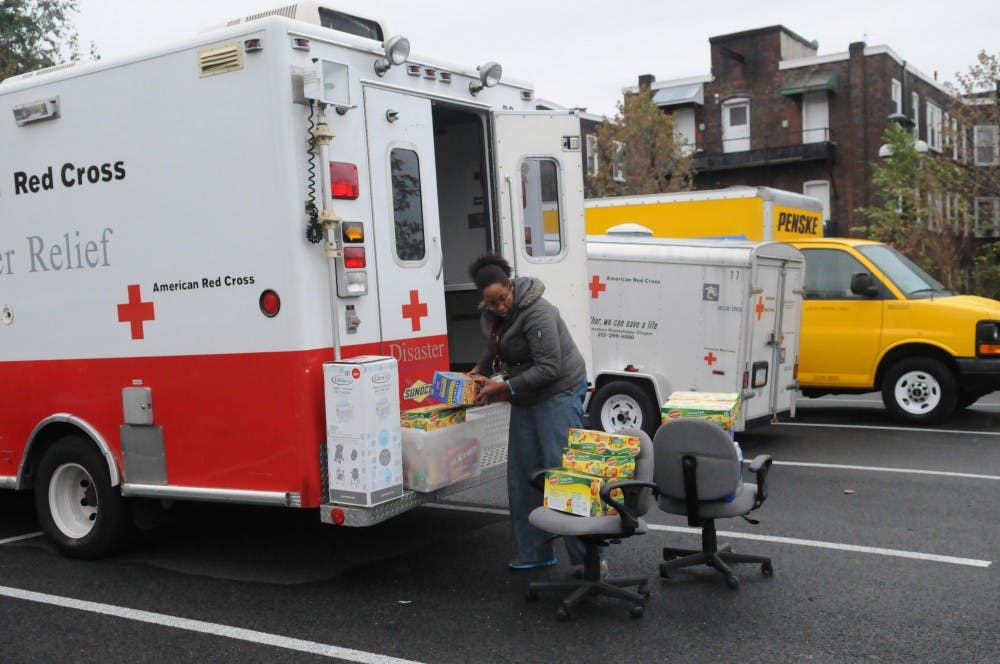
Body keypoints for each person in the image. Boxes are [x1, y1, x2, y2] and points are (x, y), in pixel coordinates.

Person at [467, 252, 592, 570]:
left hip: (558, 391)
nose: (499, 308)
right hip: (525, 394)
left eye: (502, 299)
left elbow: (550, 368)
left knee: (563, 474)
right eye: (492, 304)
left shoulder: (539, 312)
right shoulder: (495, 315)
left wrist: (503, 387)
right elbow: (495, 345)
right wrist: (479, 369)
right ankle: (535, 553)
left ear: (511, 286)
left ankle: (589, 561)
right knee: (522, 476)